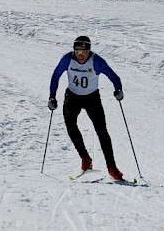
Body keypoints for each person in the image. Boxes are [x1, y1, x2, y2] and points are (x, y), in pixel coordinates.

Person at [48, 36, 124, 180]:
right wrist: (52, 96)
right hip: (72, 97)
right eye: (77, 52)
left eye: (84, 52)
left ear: (89, 51)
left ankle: (112, 167)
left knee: (102, 131)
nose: (80, 55)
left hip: (92, 98)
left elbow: (114, 76)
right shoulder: (67, 59)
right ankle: (85, 158)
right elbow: (56, 76)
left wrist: (118, 90)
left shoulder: (97, 61)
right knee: (70, 125)